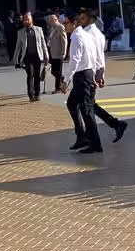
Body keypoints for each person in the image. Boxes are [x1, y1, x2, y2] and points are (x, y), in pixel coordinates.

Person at [63, 10, 108, 153]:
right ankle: (82, 136)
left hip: (82, 76)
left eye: (66, 23)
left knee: (87, 111)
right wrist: (95, 74)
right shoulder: (85, 35)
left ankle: (95, 143)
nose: (65, 26)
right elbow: (94, 56)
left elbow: (74, 61)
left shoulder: (76, 37)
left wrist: (66, 80)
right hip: (87, 74)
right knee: (73, 104)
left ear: (74, 23)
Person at [81, 9, 129, 143]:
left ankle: (110, 126)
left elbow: (92, 56)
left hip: (90, 71)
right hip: (97, 70)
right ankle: (112, 125)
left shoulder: (88, 34)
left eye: (83, 18)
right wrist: (102, 73)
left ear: (91, 19)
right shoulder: (99, 34)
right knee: (88, 103)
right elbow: (101, 56)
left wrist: (97, 74)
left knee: (87, 104)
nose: (81, 21)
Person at [13, 12, 49, 102]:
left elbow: (43, 43)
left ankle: (37, 94)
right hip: (27, 57)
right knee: (30, 74)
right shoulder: (20, 32)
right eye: (24, 20)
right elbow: (18, 47)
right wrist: (15, 58)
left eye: (27, 19)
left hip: (37, 56)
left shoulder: (39, 30)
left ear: (31, 20)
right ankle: (31, 95)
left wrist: (46, 55)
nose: (25, 21)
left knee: (37, 76)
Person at [46, 14, 69, 93]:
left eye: (51, 21)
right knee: (53, 71)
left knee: (57, 71)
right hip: (53, 52)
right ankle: (64, 79)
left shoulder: (60, 27)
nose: (50, 22)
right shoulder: (53, 28)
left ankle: (58, 88)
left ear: (55, 20)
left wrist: (64, 52)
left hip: (59, 52)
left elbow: (64, 40)